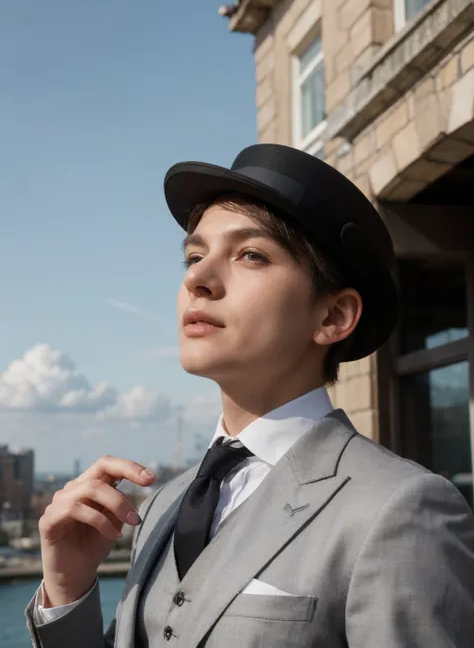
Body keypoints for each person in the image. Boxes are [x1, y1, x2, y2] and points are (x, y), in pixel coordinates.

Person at [26, 144, 474, 648]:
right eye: (194, 256)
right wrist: (67, 587)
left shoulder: (401, 509)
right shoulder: (160, 506)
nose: (197, 278)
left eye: (251, 255)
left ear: (332, 317)